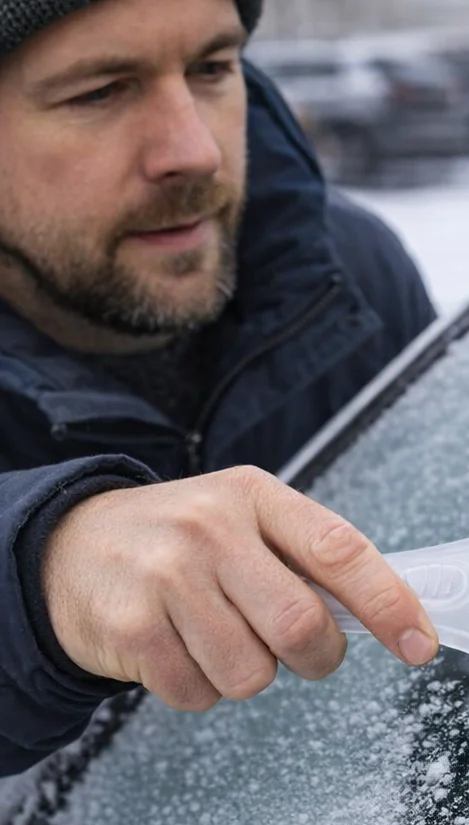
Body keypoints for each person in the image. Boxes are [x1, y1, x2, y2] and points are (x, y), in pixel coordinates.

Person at [0, 0, 442, 777]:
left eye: (211, 69)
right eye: (99, 92)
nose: (195, 151)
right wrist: (45, 575)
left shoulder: (344, 273)